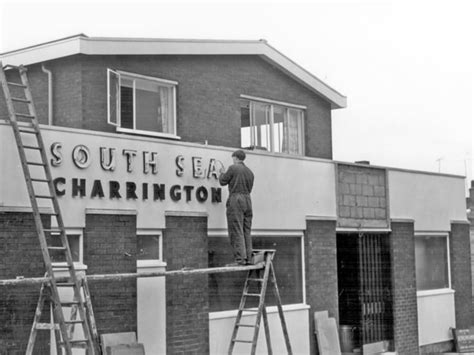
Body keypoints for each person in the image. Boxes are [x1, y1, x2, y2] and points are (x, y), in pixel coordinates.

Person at [219, 149, 254, 265]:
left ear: (235, 158)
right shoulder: (250, 172)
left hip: (236, 199)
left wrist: (221, 173)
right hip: (248, 200)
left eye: (233, 158)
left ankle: (240, 259)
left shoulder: (233, 168)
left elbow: (223, 181)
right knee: (246, 231)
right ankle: (248, 258)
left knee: (236, 229)